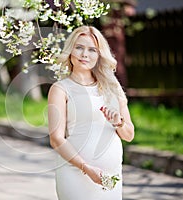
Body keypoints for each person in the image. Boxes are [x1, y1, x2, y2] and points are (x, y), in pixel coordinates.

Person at [47, 25, 134, 199]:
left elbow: (129, 135)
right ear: (71, 51)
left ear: (99, 55)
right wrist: (87, 168)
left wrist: (119, 123)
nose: (84, 54)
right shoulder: (60, 89)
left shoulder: (112, 87)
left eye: (92, 50)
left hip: (110, 175)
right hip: (75, 172)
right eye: (79, 47)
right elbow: (56, 139)